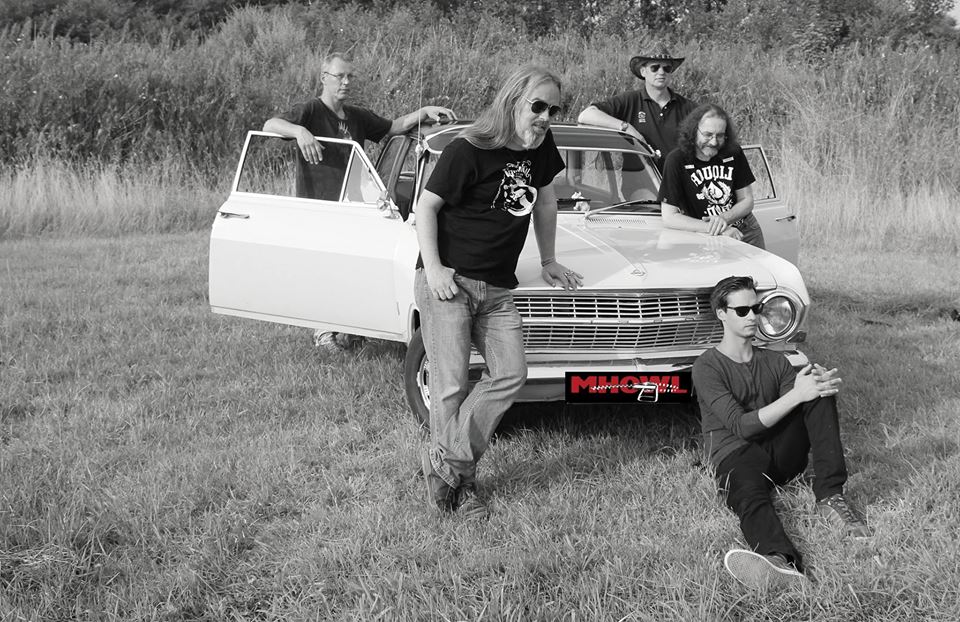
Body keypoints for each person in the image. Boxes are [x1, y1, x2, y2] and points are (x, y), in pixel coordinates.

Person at [415, 65, 582, 519]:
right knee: (450, 386)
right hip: (450, 282)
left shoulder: (541, 146)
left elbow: (545, 202)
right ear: (512, 101)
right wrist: (435, 269)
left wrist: (548, 260)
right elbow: (426, 207)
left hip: (498, 288)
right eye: (538, 106)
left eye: (554, 109)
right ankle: (461, 487)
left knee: (511, 373)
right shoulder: (467, 148)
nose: (546, 117)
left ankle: (446, 464)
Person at [264, 52, 457, 352]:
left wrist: (423, 112)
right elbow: (269, 125)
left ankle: (352, 327)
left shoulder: (357, 116)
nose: (346, 82)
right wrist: (300, 131)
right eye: (339, 76)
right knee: (323, 269)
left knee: (349, 269)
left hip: (353, 206)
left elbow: (393, 127)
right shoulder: (311, 111)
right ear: (324, 78)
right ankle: (324, 332)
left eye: (349, 76)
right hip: (319, 207)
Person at [693, 276, 871, 590]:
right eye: (742, 310)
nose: (752, 316)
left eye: (756, 308)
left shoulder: (774, 360)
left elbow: (799, 404)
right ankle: (779, 561)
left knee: (816, 392)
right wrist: (797, 394)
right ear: (721, 314)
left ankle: (830, 496)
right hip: (735, 455)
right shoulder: (707, 367)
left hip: (779, 456)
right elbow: (741, 426)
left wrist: (812, 386)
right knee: (749, 497)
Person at [658, 104, 766, 248]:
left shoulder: (733, 152)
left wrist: (723, 219)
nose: (714, 142)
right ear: (694, 131)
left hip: (746, 230)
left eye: (720, 136)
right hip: (705, 235)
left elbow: (746, 200)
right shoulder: (676, 160)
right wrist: (718, 228)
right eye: (708, 135)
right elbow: (669, 217)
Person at [578, 45, 697, 174]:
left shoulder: (688, 108)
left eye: (667, 68)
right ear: (643, 71)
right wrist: (626, 127)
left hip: (676, 181)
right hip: (638, 182)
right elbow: (586, 115)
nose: (661, 72)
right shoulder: (630, 101)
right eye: (655, 67)